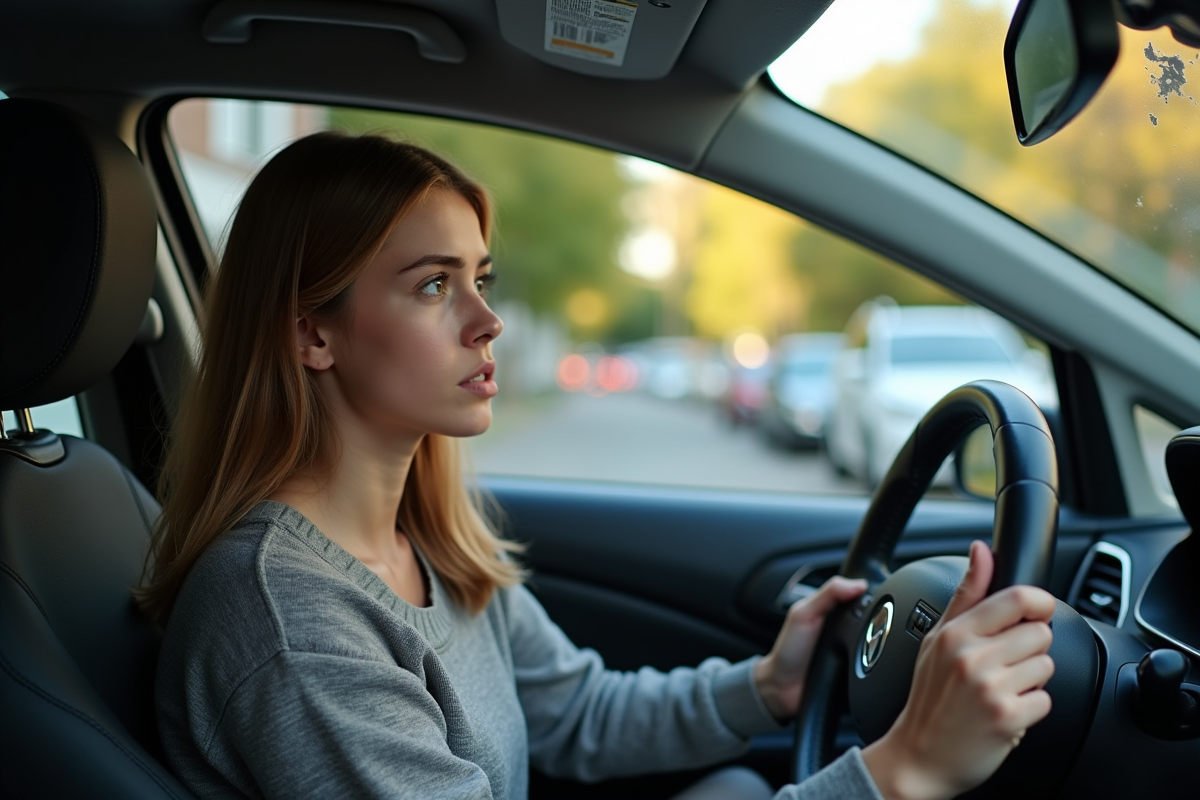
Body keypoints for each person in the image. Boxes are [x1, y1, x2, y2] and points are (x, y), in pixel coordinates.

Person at [141, 132, 1056, 800]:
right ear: (313, 334)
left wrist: (768, 686)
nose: (487, 321)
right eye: (433, 285)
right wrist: (903, 770)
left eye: (480, 280)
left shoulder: (424, 540)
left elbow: (576, 714)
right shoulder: (290, 621)